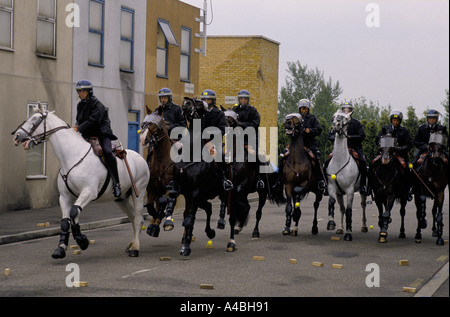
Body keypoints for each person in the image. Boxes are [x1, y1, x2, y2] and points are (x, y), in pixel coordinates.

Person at [72, 80, 121, 198]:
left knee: (108, 153)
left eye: (84, 91)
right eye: (79, 91)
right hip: (88, 136)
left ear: (89, 91)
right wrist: (74, 127)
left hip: (102, 135)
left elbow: (93, 120)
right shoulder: (80, 105)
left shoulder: (97, 104)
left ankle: (116, 183)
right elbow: (80, 120)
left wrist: (78, 128)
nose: (81, 93)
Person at [280, 99, 327, 191]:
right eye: (302, 109)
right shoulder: (295, 118)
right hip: (294, 145)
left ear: (308, 109)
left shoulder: (312, 118)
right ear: (299, 109)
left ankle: (321, 181)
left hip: (309, 145)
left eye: (305, 109)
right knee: (283, 157)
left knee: (316, 160)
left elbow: (319, 129)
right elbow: (288, 127)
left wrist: (310, 130)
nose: (303, 110)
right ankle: (278, 181)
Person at [326, 102, 369, 195]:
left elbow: (362, 135)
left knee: (362, 161)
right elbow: (330, 135)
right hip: (339, 149)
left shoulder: (356, 123)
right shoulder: (338, 122)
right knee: (327, 161)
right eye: (344, 109)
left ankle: (363, 186)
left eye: (348, 109)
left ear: (351, 111)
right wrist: (336, 139)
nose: (346, 111)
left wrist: (350, 137)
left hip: (354, 147)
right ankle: (326, 185)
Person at [373, 110, 413, 199]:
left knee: (406, 167)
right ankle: (369, 187)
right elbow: (377, 139)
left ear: (400, 121)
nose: (395, 122)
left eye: (397, 120)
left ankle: (408, 190)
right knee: (372, 163)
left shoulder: (404, 131)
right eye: (394, 120)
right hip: (385, 153)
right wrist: (382, 148)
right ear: (391, 120)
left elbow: (409, 144)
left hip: (398, 154)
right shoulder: (385, 128)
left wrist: (401, 148)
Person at [200, 89, 233, 190]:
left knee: (219, 155)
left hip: (213, 142)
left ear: (213, 101)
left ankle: (224, 179)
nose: (206, 102)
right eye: (204, 100)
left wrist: (212, 132)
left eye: (208, 100)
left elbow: (223, 129)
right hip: (200, 141)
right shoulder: (200, 112)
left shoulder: (219, 113)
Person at [232, 89, 265, 189]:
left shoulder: (253, 110)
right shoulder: (235, 110)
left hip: (249, 140)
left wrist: (241, 124)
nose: (243, 100)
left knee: (252, 155)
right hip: (237, 140)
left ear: (248, 99)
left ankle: (259, 179)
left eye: (245, 99)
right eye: (241, 98)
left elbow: (255, 124)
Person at [146, 88, 187, 162]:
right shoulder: (157, 111)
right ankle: (148, 166)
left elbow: (183, 124)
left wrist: (170, 127)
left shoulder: (177, 109)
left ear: (169, 98)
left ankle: (181, 169)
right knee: (150, 150)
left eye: (165, 98)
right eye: (161, 98)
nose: (163, 100)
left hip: (175, 138)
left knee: (182, 152)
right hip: (161, 138)